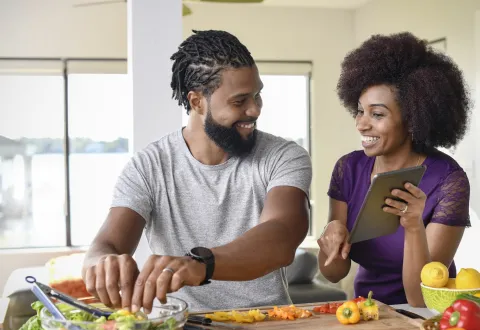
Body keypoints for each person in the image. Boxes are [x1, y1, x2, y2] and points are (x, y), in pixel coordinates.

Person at [81, 30, 312, 313]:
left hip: (272, 325)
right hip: (182, 328)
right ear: (196, 102)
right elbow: (105, 245)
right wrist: (101, 262)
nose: (254, 110)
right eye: (239, 101)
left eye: (257, 96)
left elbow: (281, 237)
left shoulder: (283, 156)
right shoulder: (148, 167)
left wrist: (201, 265)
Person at [317, 32, 471, 307]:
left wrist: (413, 227)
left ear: (413, 119)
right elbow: (333, 273)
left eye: (377, 114)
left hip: (428, 318)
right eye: (360, 111)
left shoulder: (448, 180)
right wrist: (332, 232)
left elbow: (420, 298)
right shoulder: (348, 168)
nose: (362, 124)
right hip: (365, 312)